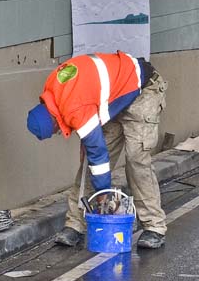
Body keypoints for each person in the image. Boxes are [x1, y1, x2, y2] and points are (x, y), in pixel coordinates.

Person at [26, 51, 168, 249]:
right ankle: (75, 224)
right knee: (89, 164)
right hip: (116, 98)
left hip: (142, 91)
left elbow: (98, 153)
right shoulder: (53, 90)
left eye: (56, 131)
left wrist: (104, 196)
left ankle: (154, 226)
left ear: (54, 122)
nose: (59, 133)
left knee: (136, 158)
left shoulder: (74, 108)